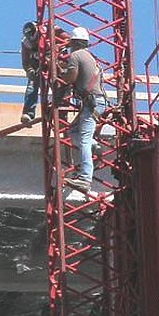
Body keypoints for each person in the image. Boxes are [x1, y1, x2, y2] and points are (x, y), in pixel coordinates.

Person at [58, 26, 106, 192]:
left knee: (83, 138)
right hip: (95, 103)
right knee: (73, 132)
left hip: (92, 103)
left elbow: (71, 77)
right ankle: (95, 146)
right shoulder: (89, 57)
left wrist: (58, 73)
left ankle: (85, 179)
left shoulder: (76, 55)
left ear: (74, 42)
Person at [20, 21, 39, 124]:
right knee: (32, 85)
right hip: (37, 65)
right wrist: (30, 70)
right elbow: (25, 62)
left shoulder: (51, 31)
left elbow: (67, 40)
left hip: (55, 63)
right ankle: (28, 113)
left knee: (59, 86)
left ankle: (61, 109)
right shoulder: (26, 42)